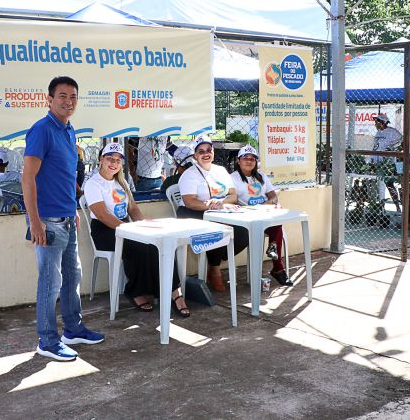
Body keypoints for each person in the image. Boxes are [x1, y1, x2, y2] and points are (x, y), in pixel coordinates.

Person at [23, 76, 104, 362]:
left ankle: (73, 329)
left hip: (67, 217)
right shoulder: (41, 130)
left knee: (73, 276)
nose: (68, 101)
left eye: (73, 97)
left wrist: (72, 210)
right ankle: (47, 340)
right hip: (48, 220)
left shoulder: (69, 130)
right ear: (49, 99)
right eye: (62, 96)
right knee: (50, 281)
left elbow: (66, 176)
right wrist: (35, 221)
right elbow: (28, 178)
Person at [84, 143, 189, 316]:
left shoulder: (122, 182)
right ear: (101, 159)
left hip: (125, 226)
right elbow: (102, 215)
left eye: (118, 160)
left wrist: (147, 225)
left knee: (160, 241)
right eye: (110, 159)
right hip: (105, 230)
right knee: (138, 244)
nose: (114, 163)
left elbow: (133, 209)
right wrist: (130, 230)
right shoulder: (93, 184)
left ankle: (173, 291)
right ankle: (136, 291)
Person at [175, 136, 248, 292]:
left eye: (209, 150)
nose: (206, 154)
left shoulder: (221, 171)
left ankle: (216, 260)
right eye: (201, 151)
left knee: (244, 231)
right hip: (191, 212)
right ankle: (215, 269)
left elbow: (233, 196)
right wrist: (210, 206)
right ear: (195, 155)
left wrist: (220, 203)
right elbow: (190, 202)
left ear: (213, 152)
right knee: (218, 228)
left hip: (218, 211)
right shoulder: (189, 174)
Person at [231, 145, 292, 286]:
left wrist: (268, 204)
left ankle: (274, 253)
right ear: (238, 161)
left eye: (252, 159)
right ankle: (278, 268)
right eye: (245, 158)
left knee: (277, 217)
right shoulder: (232, 178)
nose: (249, 161)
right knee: (276, 225)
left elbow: (273, 196)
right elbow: (232, 201)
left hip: (264, 215)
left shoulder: (262, 176)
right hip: (246, 219)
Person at [370, 113, 404, 215]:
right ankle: (382, 208)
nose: (375, 124)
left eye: (376, 122)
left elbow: (403, 143)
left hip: (390, 163)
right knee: (383, 184)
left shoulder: (392, 132)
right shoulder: (378, 133)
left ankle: (400, 208)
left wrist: (393, 150)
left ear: (382, 122)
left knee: (394, 184)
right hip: (378, 163)